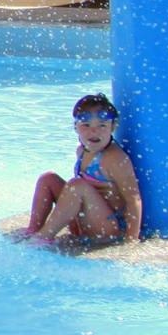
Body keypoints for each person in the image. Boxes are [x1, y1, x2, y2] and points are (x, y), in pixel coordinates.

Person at [22, 93, 142, 246]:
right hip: (83, 222)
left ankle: (44, 236)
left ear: (113, 127)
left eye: (102, 125)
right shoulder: (81, 151)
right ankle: (33, 229)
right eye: (86, 125)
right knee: (48, 178)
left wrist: (131, 242)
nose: (94, 131)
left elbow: (134, 199)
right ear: (76, 127)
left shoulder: (115, 159)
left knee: (76, 185)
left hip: (107, 229)